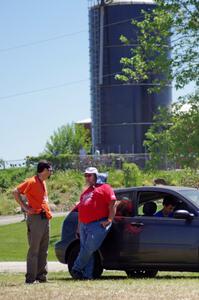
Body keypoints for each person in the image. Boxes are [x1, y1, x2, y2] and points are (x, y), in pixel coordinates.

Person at [71, 167, 117, 280]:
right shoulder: (86, 192)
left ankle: (76, 268)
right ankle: (87, 276)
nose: (87, 177)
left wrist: (109, 220)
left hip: (98, 224)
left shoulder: (105, 188)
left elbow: (113, 204)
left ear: (96, 176)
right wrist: (78, 228)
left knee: (89, 248)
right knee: (87, 250)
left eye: (89, 175)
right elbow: (81, 211)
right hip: (83, 225)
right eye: (85, 175)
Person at [13, 160, 53, 284]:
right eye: (50, 169)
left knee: (44, 249)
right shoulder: (31, 181)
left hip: (45, 218)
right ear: (44, 170)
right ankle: (30, 278)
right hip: (35, 218)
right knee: (34, 249)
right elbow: (15, 192)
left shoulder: (43, 182)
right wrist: (25, 207)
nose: (51, 172)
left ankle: (41, 277)